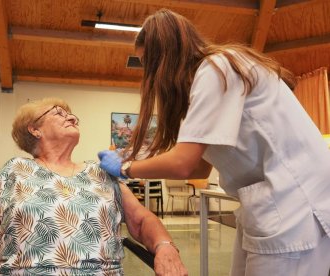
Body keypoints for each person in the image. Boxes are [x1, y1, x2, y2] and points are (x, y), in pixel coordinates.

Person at [98, 9, 330, 276]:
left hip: (295, 205)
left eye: (146, 64)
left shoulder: (217, 68)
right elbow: (200, 169)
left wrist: (127, 168)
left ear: (163, 57)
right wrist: (134, 162)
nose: (147, 75)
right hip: (272, 205)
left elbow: (184, 164)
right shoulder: (206, 82)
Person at [0, 98, 188, 276]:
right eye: (59, 113)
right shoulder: (16, 170)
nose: (72, 117)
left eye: (72, 114)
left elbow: (141, 221)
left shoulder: (100, 172)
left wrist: (165, 245)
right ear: (34, 130)